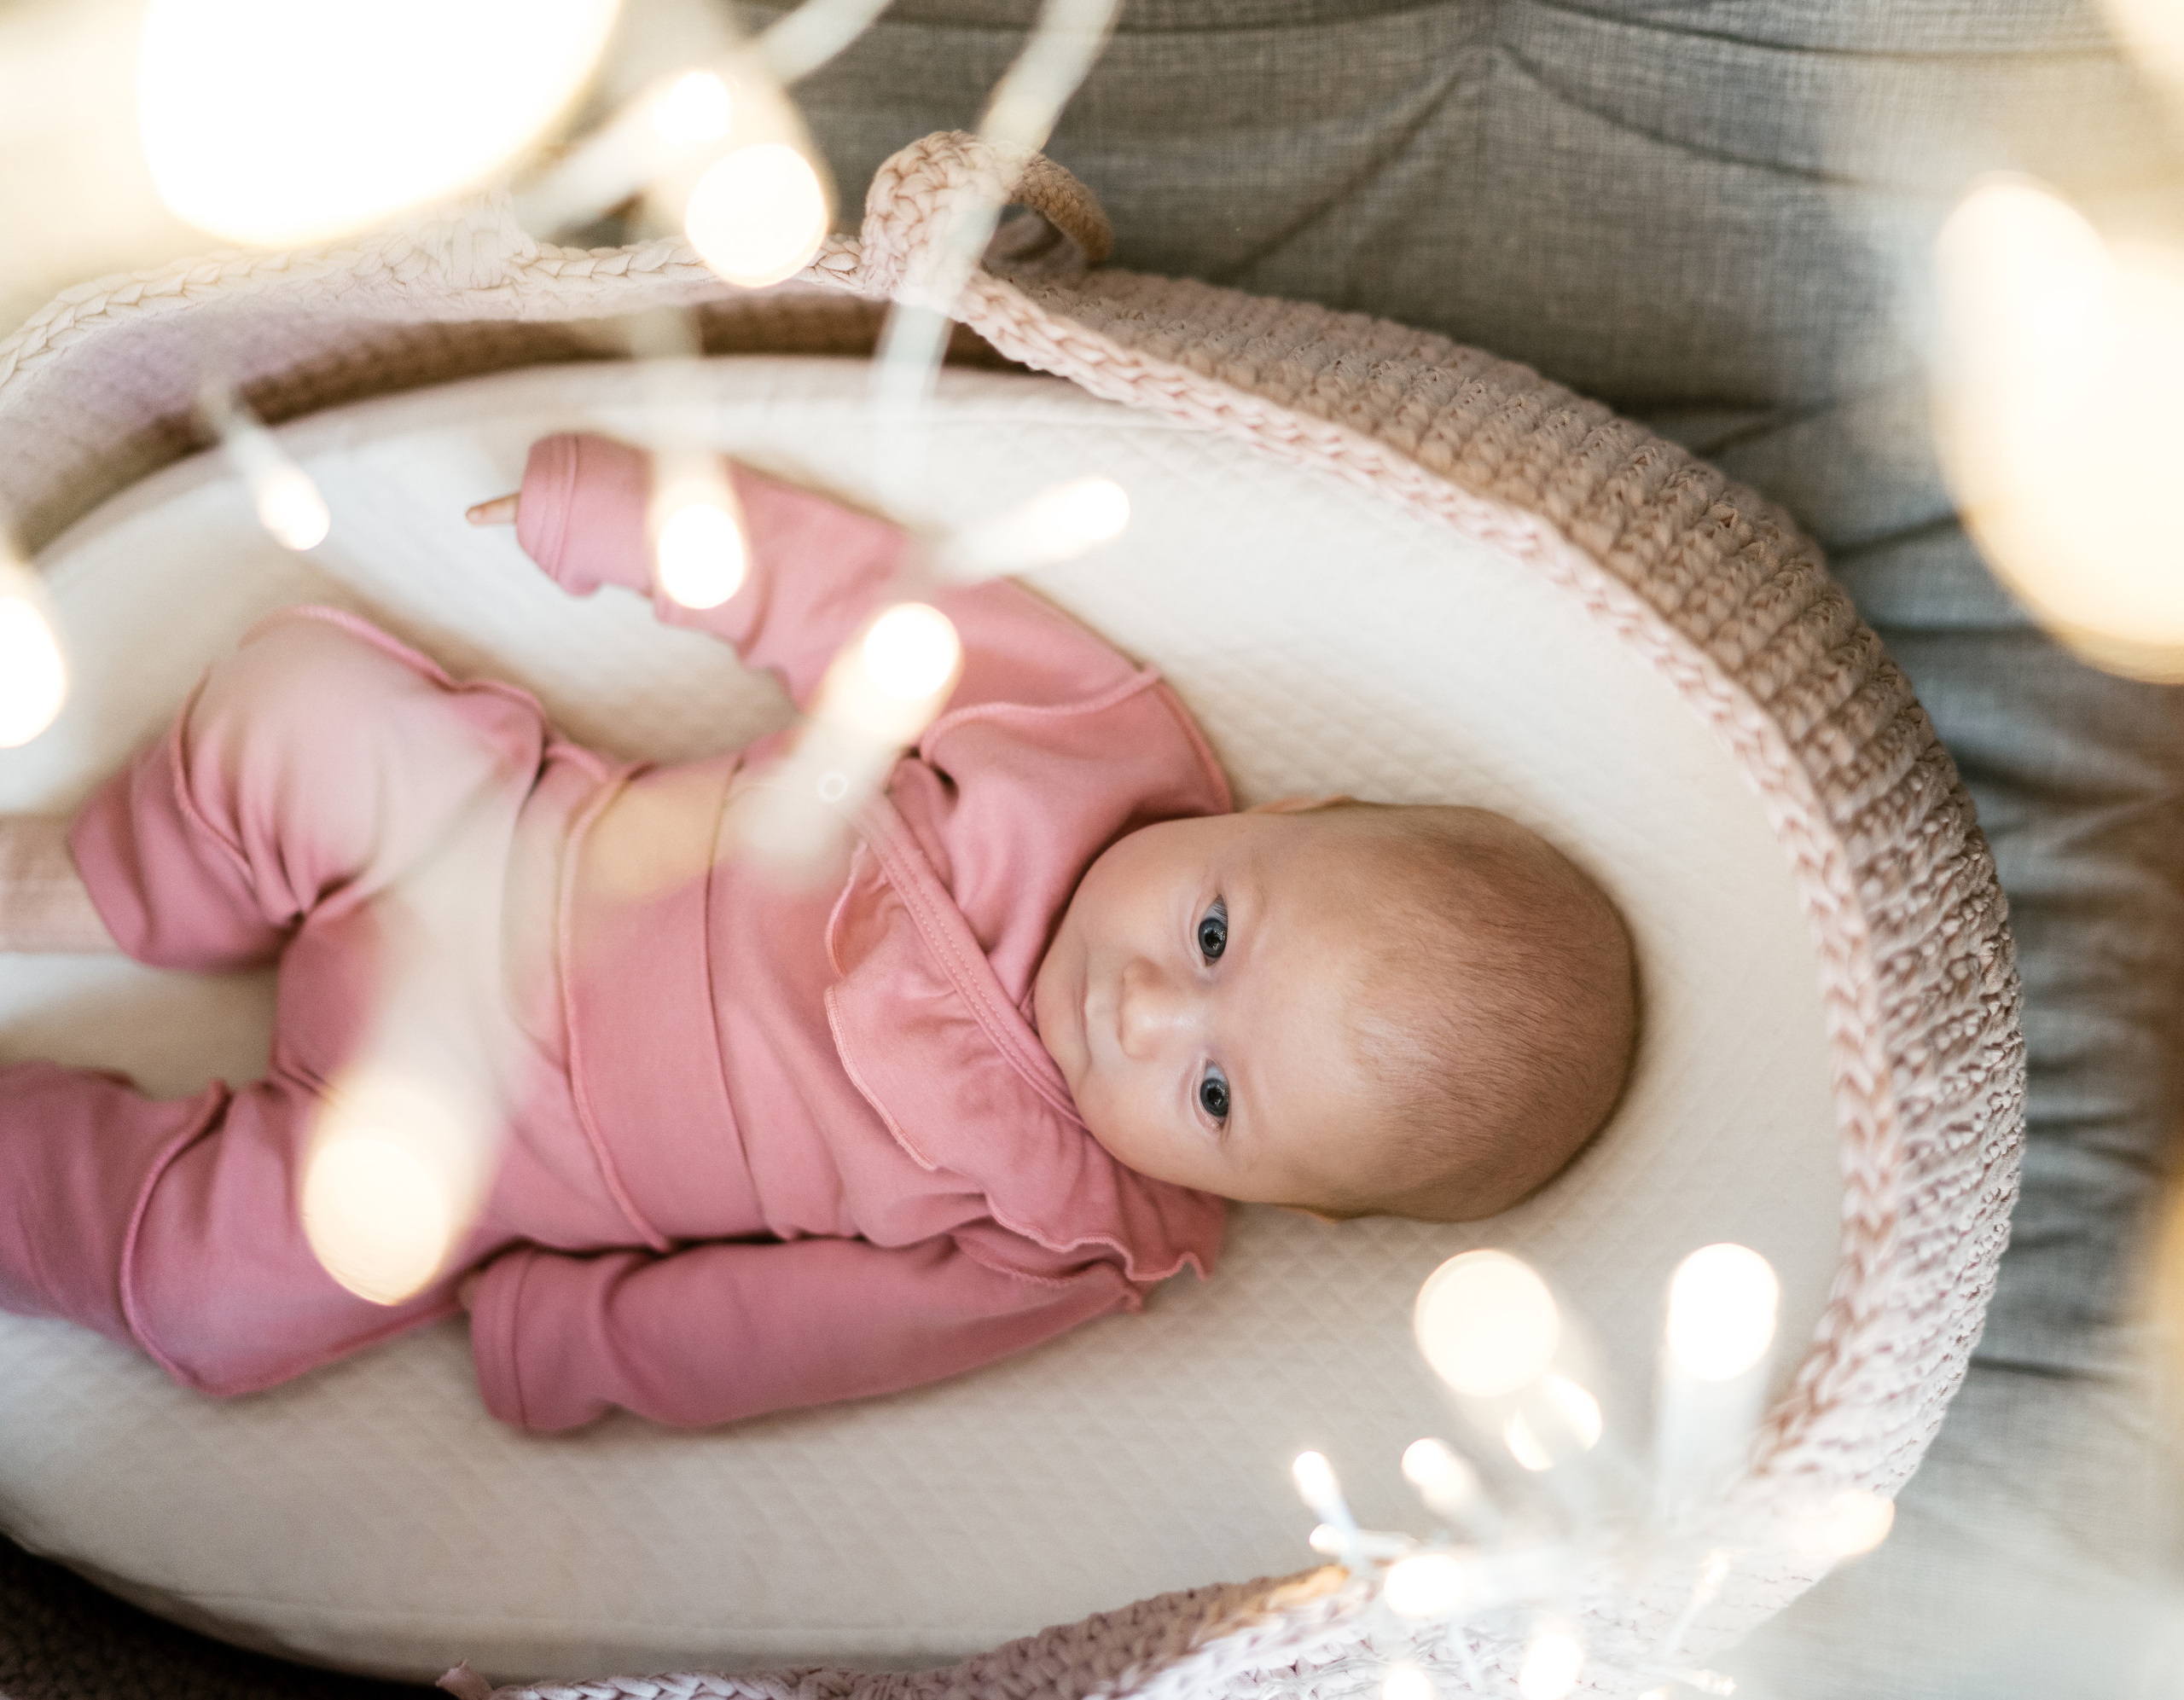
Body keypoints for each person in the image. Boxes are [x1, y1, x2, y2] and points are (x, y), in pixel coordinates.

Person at [0, 434, 1636, 1431]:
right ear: (1270, 818)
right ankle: (125, 891)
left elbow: (807, 1336)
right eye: (1215, 931)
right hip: (485, 845)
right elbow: (860, 596)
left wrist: (576, 1340)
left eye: (1216, 1097)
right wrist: (643, 527)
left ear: (1272, 1199)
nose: (1147, 1012)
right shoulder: (1084, 739)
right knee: (298, 703)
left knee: (212, 1301)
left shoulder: (1073, 1234)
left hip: (454, 1166)